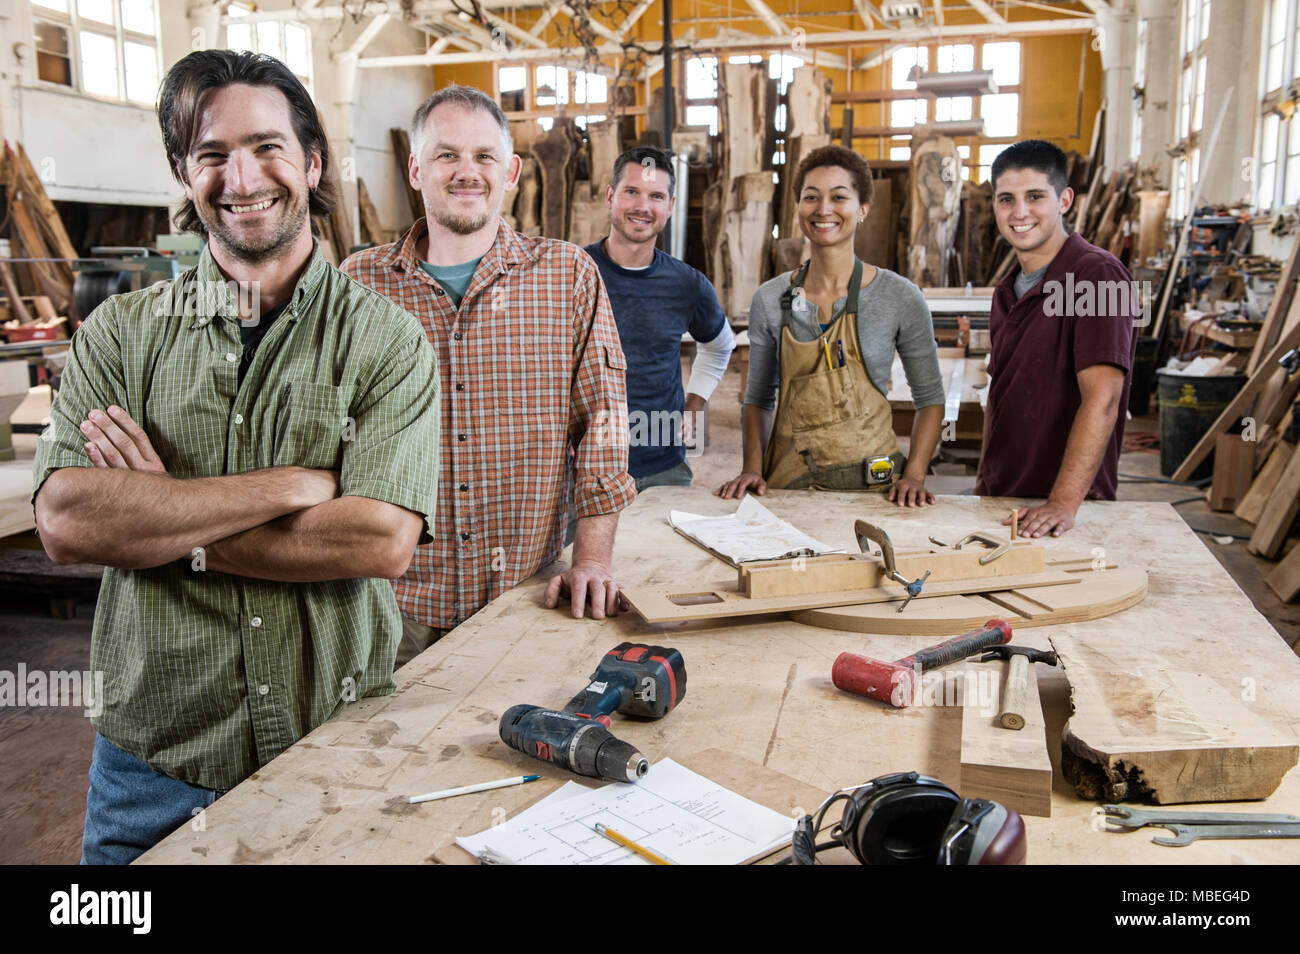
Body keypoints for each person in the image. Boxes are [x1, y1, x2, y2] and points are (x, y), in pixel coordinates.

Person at [31, 50, 440, 864]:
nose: (241, 178)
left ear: (312, 161)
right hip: (152, 767)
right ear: (185, 175)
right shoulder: (121, 333)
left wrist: (161, 515)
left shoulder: (386, 341)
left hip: (333, 746)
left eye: (266, 147)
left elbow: (376, 542)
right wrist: (292, 487)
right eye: (211, 155)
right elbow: (70, 521)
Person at [342, 85, 635, 667]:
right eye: (447, 155)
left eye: (484, 157)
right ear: (416, 168)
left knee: (526, 746)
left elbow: (603, 428)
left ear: (512, 172)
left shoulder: (566, 276)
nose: (466, 172)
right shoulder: (359, 284)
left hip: (528, 592)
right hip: (396, 601)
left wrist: (593, 561)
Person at [716, 145, 944, 503]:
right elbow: (759, 399)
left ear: (863, 208)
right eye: (811, 197)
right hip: (790, 486)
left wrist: (914, 475)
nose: (824, 209)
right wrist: (752, 470)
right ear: (798, 208)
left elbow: (930, 400)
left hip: (877, 486)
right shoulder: (770, 298)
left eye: (839, 197)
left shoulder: (900, 297)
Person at [976, 139, 1136, 538]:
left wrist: (1063, 503)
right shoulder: (1006, 290)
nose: (1020, 212)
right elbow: (1000, 395)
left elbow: (1104, 398)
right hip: (1003, 498)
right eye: (1006, 199)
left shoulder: (1097, 275)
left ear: (1064, 199)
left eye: (1035, 196)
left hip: (1066, 510)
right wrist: (984, 482)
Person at [584, 146, 735, 492]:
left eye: (656, 196)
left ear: (670, 206)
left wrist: (696, 400)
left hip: (662, 468)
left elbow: (719, 345)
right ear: (611, 196)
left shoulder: (687, 284)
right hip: (584, 468)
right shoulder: (573, 273)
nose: (642, 207)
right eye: (632, 192)